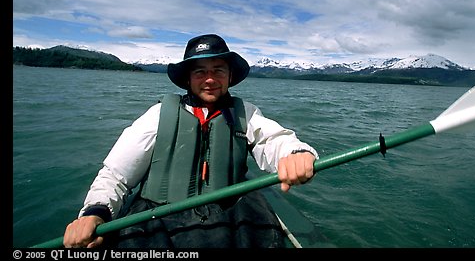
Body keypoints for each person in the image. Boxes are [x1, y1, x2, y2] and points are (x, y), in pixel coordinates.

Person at [63, 34, 318, 248]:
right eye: (200, 72)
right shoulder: (158, 115)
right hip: (160, 215)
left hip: (229, 212)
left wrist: (295, 153)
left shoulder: (246, 113)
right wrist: (95, 213)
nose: (210, 79)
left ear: (230, 76)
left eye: (218, 70)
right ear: (188, 78)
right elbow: (116, 174)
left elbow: (274, 140)